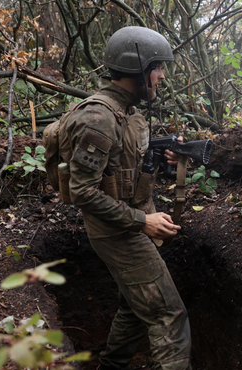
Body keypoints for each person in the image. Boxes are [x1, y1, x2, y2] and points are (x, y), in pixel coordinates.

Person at [64, 27, 191, 370]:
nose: (161, 76)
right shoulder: (99, 118)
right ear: (139, 69)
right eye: (158, 68)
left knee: (136, 308)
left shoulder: (128, 112)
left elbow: (123, 169)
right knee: (168, 315)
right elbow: (83, 191)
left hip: (127, 224)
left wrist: (164, 161)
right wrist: (143, 221)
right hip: (118, 231)